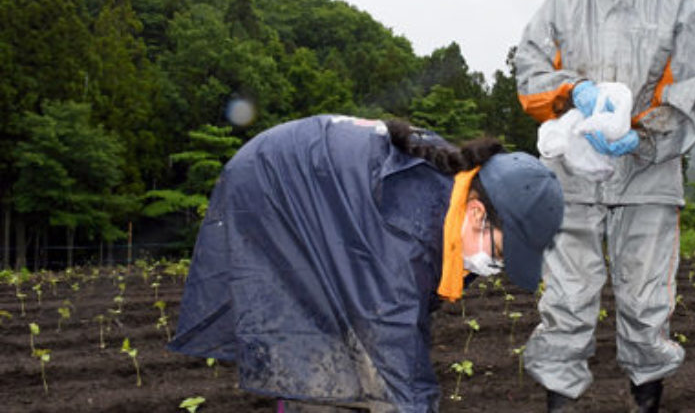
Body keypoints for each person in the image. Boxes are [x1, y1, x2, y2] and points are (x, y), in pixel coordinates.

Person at [167, 114, 564, 413]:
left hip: (319, 200)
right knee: (314, 355)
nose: (496, 267)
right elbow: (397, 345)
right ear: (478, 214)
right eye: (501, 252)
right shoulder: (407, 230)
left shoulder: (452, 201)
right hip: (272, 192)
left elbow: (408, 319)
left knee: (364, 354)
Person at [515, 0, 695, 412]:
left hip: (650, 175)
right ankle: (560, 404)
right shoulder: (561, 2)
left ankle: (646, 402)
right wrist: (573, 90)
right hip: (572, 173)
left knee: (647, 303)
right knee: (566, 299)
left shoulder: (678, 4)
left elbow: (691, 88)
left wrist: (642, 137)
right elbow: (530, 69)